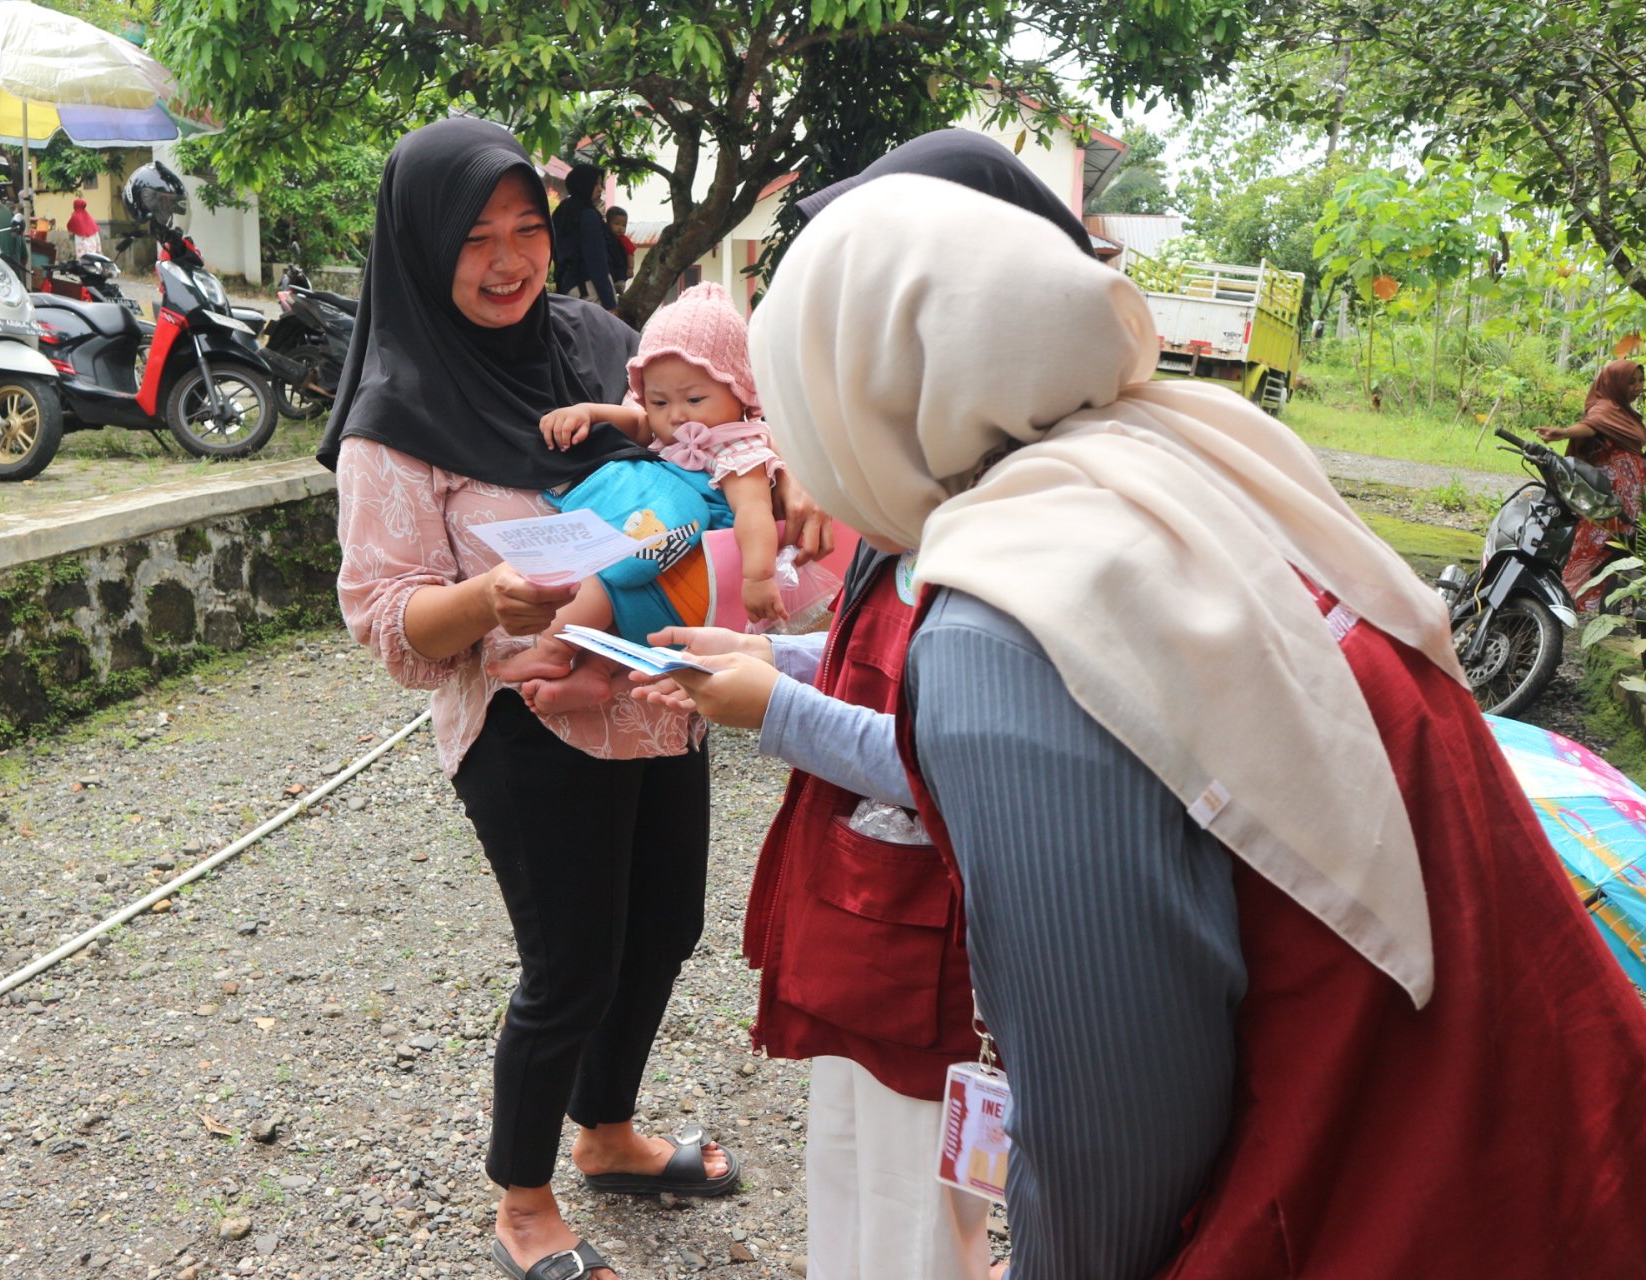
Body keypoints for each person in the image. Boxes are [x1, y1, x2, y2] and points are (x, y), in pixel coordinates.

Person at [738, 173, 1646, 1279]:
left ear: (853, 394)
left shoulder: (1010, 618)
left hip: (1364, 1197)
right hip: (1555, 1138)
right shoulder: (1193, 458)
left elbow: (1115, 1116)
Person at [626, 129, 1098, 1280]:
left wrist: (770, 709)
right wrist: (761, 658)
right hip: (870, 933)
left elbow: (967, 757)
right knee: (855, 1185)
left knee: (914, 1220)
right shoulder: (920, 478)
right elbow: (860, 658)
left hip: (937, 972)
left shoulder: (1018, 513)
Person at [319, 117, 752, 1280]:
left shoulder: (598, 340)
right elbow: (383, 613)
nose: (509, 260)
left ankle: (608, 1132)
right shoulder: (395, 411)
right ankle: (523, 1199)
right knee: (571, 963)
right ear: (418, 248)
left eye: (527, 230)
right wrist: (487, 601)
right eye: (475, 239)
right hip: (525, 717)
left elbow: (702, 428)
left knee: (665, 927)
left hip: (659, 686)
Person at [493, 282, 788, 712]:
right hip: (661, 566)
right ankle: (596, 672)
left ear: (739, 391)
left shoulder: (738, 448)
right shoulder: (667, 427)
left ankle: (552, 651)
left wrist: (758, 579)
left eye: (694, 398)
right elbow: (635, 425)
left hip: (691, 578)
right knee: (619, 586)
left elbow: (755, 512)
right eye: (659, 400)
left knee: (597, 578)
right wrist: (589, 413)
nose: (676, 415)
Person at [1537, 359, 1646, 609]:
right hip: (1610, 495)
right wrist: (1563, 432)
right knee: (1597, 542)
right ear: (1614, 383)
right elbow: (1590, 427)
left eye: (1640, 380)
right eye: (1631, 381)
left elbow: (1628, 439)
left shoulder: (1624, 411)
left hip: (1631, 496)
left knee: (1622, 545)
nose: (1638, 387)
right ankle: (1571, 595)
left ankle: (1610, 601)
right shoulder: (1604, 407)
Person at [553, 163, 618, 311]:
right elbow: (596, 261)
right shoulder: (588, 214)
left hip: (568, 288)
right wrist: (610, 304)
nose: (600, 188)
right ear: (585, 184)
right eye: (596, 184)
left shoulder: (562, 211)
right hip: (589, 289)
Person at [605, 207, 635, 287]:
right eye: (616, 224)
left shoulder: (624, 240)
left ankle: (620, 284)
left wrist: (630, 268)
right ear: (608, 223)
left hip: (621, 267)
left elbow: (630, 253)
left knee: (620, 271)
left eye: (623, 225)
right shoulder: (605, 236)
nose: (620, 228)